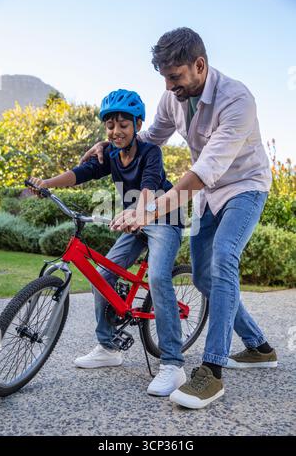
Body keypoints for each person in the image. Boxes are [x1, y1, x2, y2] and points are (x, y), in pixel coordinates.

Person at [81, 28, 277, 410]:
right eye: (165, 78)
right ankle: (260, 347)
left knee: (222, 261)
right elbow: (150, 137)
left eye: (175, 77)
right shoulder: (173, 98)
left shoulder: (237, 99)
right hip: (207, 195)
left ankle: (212, 371)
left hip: (244, 187)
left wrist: (149, 209)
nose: (169, 86)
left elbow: (206, 169)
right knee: (203, 277)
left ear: (199, 65)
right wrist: (111, 143)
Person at [29, 89, 187, 397]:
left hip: (163, 219)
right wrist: (46, 184)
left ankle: (172, 364)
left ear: (137, 125)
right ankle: (108, 347)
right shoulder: (111, 155)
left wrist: (136, 211)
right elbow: (80, 173)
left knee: (157, 278)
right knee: (103, 277)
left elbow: (148, 187)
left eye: (123, 125)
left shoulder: (150, 151)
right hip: (133, 219)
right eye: (110, 125)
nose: (115, 131)